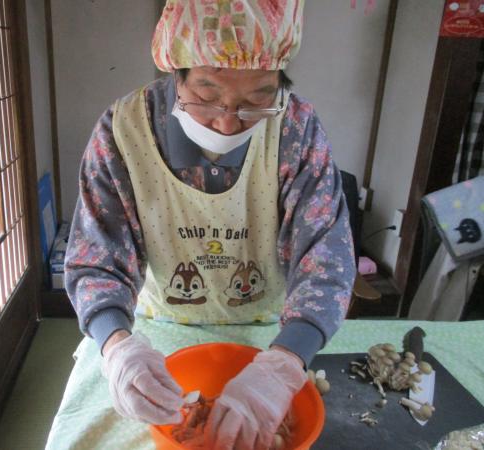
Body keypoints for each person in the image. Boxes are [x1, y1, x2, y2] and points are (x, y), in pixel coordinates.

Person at [64, 0, 356, 448]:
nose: (227, 122)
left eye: (257, 99)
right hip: (157, 332)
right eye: (206, 95)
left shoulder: (296, 129)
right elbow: (95, 259)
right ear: (176, 73)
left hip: (273, 332)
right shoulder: (123, 131)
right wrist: (118, 345)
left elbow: (327, 257)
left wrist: (285, 362)